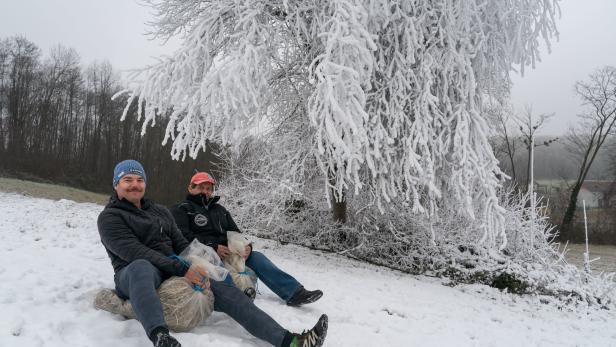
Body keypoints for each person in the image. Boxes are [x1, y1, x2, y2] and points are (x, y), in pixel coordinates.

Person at [97, 160, 328, 347]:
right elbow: (135, 252)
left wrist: (209, 267)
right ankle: (160, 336)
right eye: (127, 180)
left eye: (139, 180)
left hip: (172, 268)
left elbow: (182, 244)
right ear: (116, 184)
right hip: (133, 273)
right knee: (141, 267)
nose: (134, 185)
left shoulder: (159, 212)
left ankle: (291, 342)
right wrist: (184, 269)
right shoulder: (110, 217)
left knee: (224, 285)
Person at [171, 172, 323, 307]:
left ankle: (294, 293)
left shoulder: (221, 210)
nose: (205, 191)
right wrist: (213, 246)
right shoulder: (182, 209)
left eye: (209, 188)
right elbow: (183, 236)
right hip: (203, 255)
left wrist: (246, 245)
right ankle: (238, 297)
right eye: (201, 187)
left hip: (228, 253)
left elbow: (235, 232)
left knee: (257, 258)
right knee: (220, 271)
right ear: (191, 188)